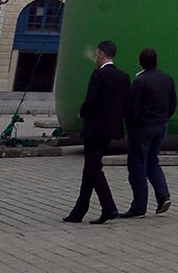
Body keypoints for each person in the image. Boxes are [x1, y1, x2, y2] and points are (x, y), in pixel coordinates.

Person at [64, 39, 132, 224]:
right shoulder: (124, 77)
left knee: (94, 168)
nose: (95, 57)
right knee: (90, 167)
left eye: (96, 54)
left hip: (95, 128)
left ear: (101, 54)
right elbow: (127, 104)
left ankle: (109, 207)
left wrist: (82, 111)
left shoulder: (98, 75)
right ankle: (79, 210)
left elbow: (91, 100)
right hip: (111, 129)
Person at [124, 47, 176, 217]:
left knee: (137, 165)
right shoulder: (167, 79)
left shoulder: (140, 81)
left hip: (142, 128)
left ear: (140, 62)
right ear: (157, 60)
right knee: (152, 161)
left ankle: (139, 206)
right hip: (161, 126)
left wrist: (131, 125)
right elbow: (173, 103)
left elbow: (133, 108)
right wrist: (164, 118)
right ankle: (163, 196)